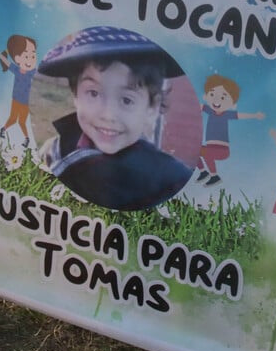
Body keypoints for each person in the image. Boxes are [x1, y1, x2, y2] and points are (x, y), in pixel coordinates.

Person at [37, 26, 192, 212]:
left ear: (152, 106)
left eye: (126, 100)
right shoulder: (53, 152)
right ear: (75, 94)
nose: (108, 115)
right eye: (93, 93)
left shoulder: (170, 181)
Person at [196, 74, 264, 186]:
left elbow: (240, 115)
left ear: (233, 104)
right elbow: (198, 106)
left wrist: (255, 115)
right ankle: (203, 172)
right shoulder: (210, 110)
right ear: (206, 96)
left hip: (222, 150)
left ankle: (214, 176)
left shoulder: (227, 114)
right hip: (210, 147)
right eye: (212, 94)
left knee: (207, 154)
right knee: (194, 151)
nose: (217, 100)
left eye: (223, 98)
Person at [0, 34, 39, 148]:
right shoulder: (17, 70)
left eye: (33, 56)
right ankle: (3, 129)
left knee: (21, 121)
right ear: (18, 59)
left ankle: (26, 138)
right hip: (16, 100)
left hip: (26, 102)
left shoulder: (33, 72)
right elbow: (6, 62)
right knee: (13, 119)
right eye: (26, 56)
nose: (30, 60)